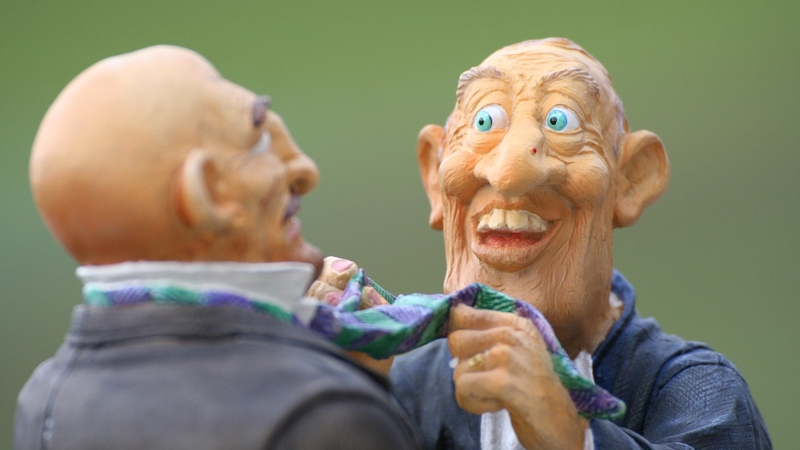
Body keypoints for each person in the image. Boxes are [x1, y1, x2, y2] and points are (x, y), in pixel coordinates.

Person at [15, 45, 419, 450]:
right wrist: (377, 399)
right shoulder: (320, 416)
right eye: (258, 141)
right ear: (206, 194)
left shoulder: (44, 400)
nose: (305, 171)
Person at [387, 38, 770, 449]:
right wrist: (350, 392)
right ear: (435, 173)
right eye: (485, 122)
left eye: (560, 122)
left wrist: (570, 435)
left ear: (632, 179)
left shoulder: (698, 393)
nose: (509, 173)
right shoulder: (409, 389)